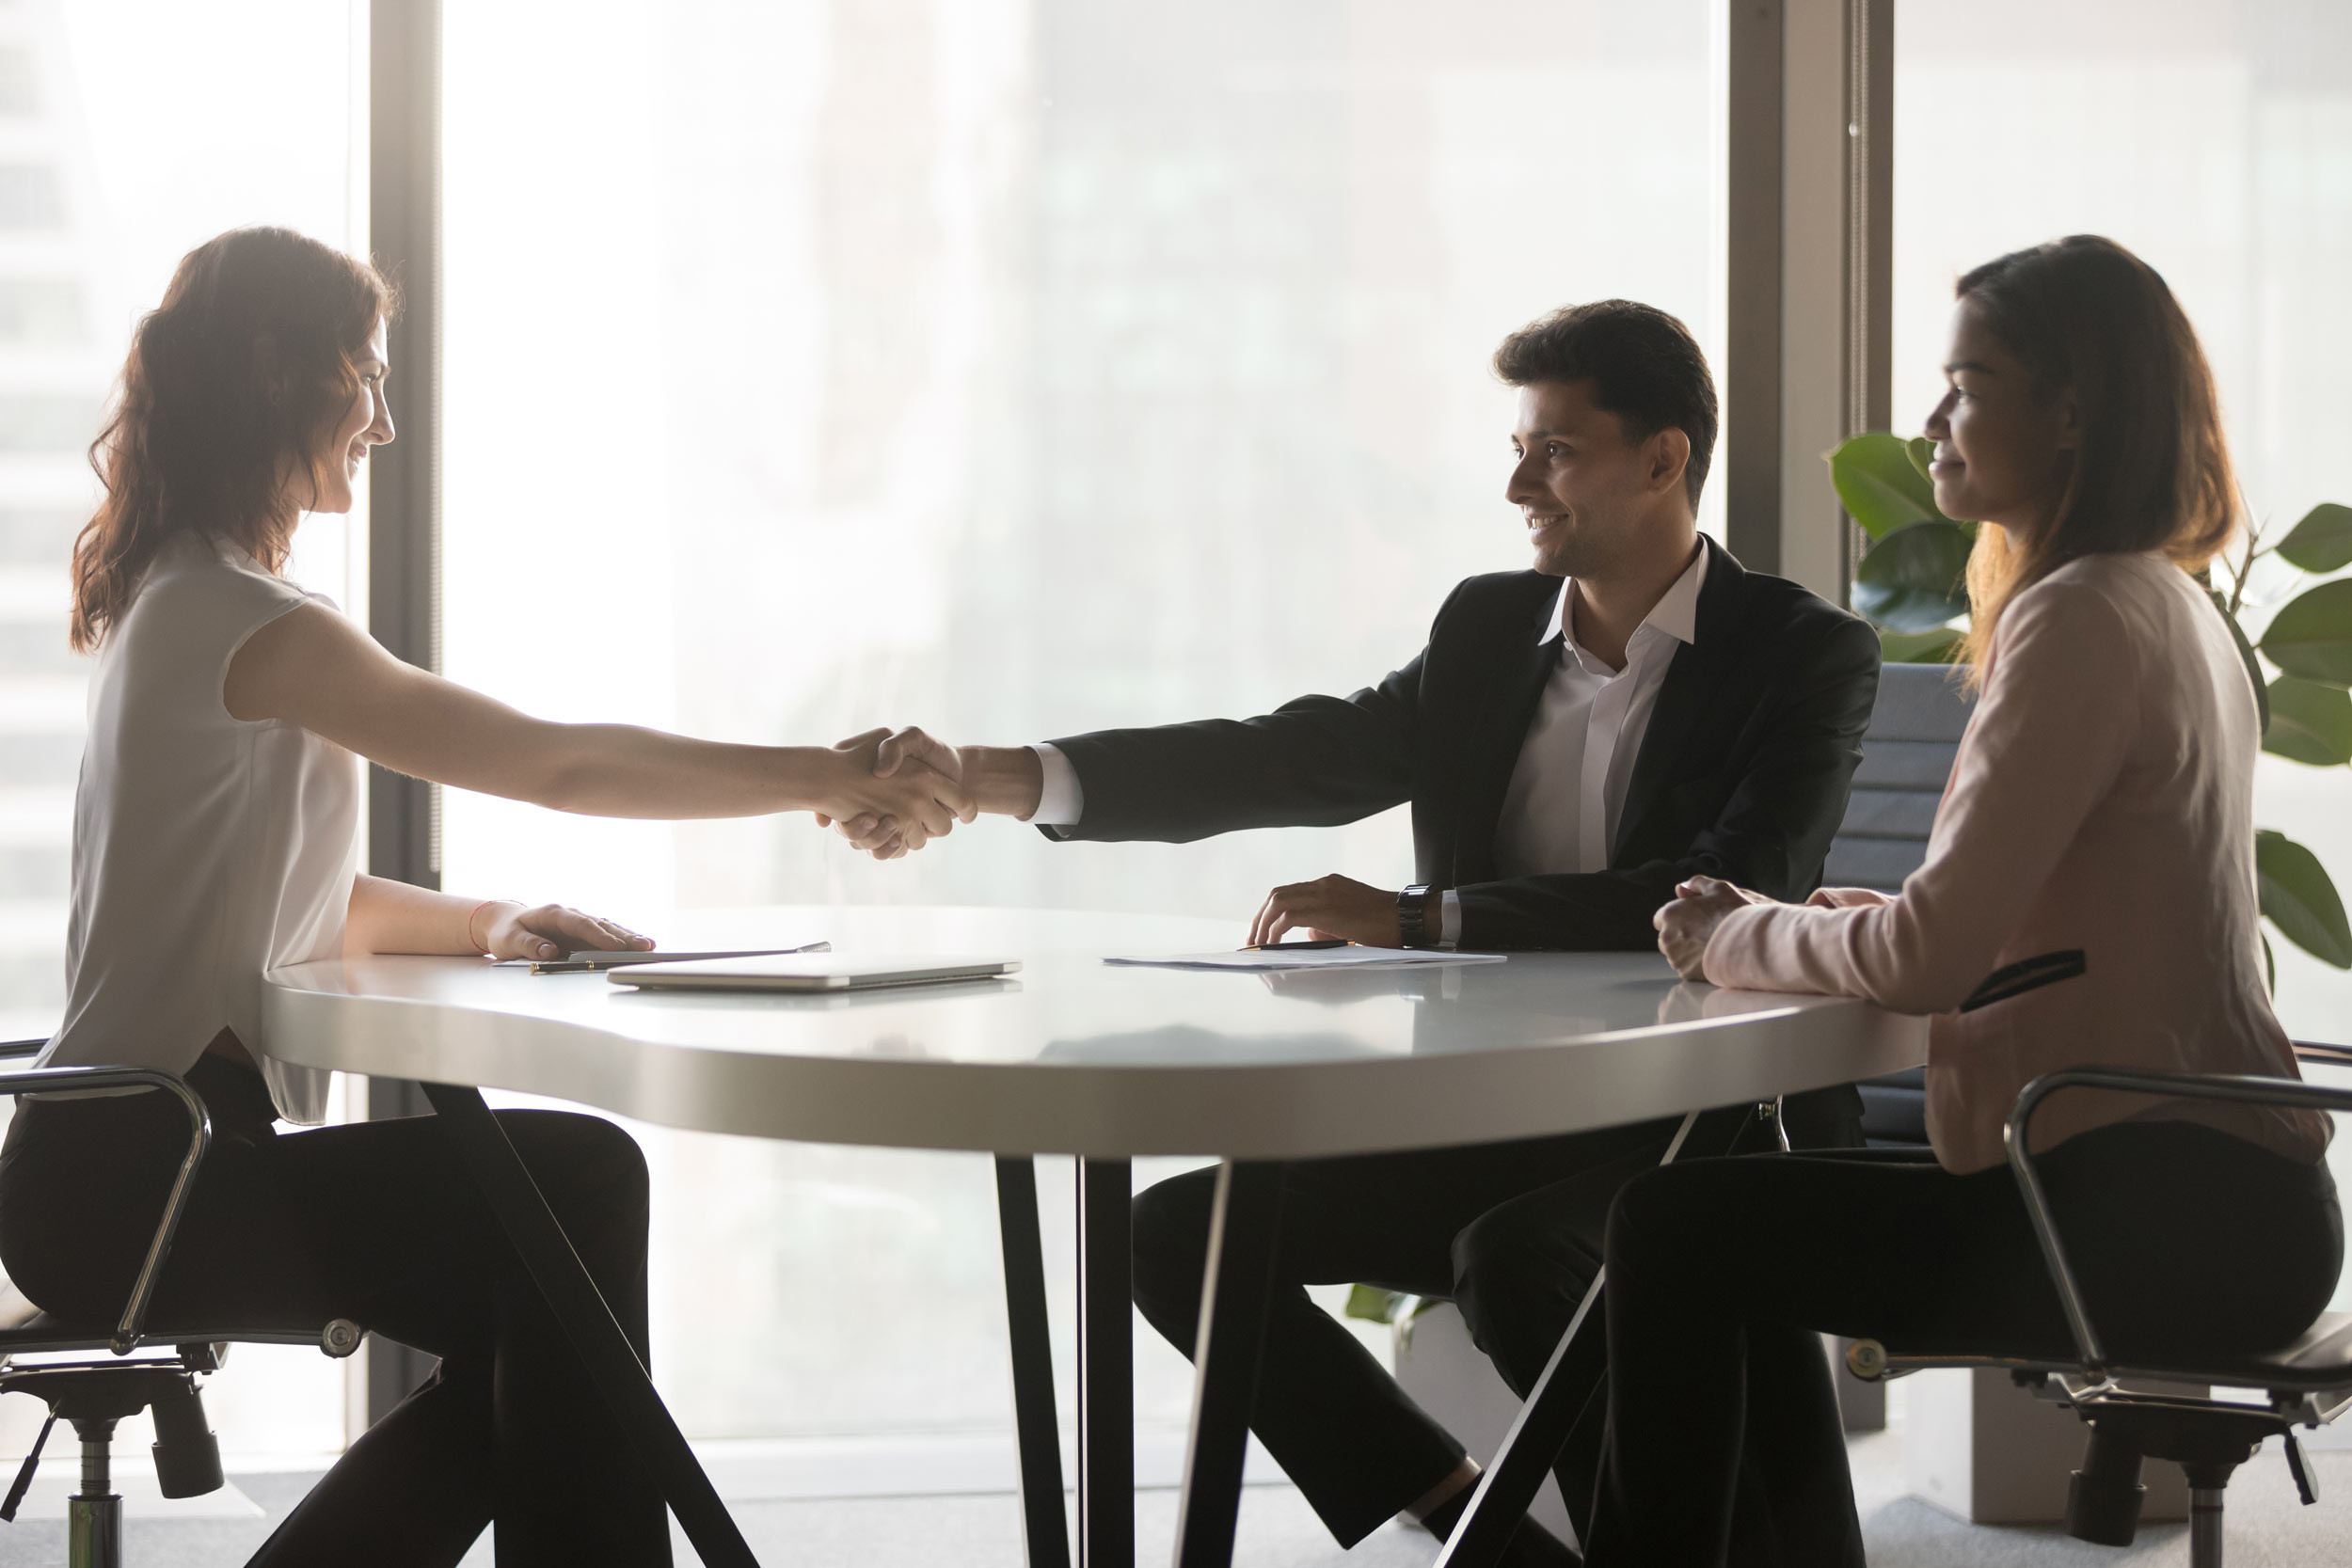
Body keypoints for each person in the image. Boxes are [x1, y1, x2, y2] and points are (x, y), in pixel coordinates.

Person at [838, 301, 1883, 1560]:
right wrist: (995, 776)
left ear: (1661, 460)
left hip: (1689, 1130)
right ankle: (1475, 1531)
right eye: (1518, 448)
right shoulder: (1490, 631)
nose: (1516, 484)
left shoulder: (1800, 654)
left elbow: (1725, 888)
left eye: (1551, 451)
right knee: (1174, 1235)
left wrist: (1416, 918)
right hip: (1492, 1117)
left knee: (1515, 1261)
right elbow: (1289, 757)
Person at [0, 227, 972, 1567]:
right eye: (366, 378)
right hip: (145, 1180)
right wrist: (830, 772)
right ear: (281, 374)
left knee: (556, 1343)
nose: (385, 424)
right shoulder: (240, 621)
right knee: (575, 1197)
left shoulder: (189, 605)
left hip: (123, 1166)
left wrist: (488, 924)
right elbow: (559, 762)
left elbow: (280, 902)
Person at [1572, 235, 2344, 1566]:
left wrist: (1725, 930)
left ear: (2070, 411)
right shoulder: (2166, 605)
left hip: (2142, 1217)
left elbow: (1930, 961)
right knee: (1724, 1221)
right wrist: (1829, 919)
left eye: (1966, 382)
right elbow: (2065, 918)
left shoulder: (2079, 617)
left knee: (1674, 1229)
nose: (1931, 417)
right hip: (2231, 1201)